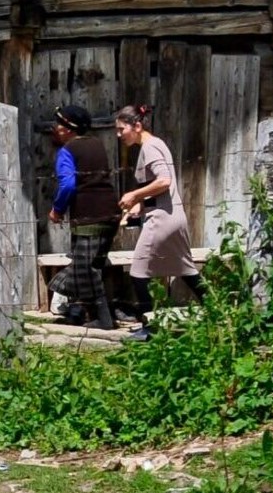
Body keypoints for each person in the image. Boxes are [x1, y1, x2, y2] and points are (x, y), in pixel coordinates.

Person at [114, 104, 205, 342]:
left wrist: (134, 195)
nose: (119, 135)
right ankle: (219, 313)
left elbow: (164, 181)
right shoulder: (156, 145)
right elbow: (162, 188)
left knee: (138, 272)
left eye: (121, 129)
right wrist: (141, 205)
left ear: (137, 126)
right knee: (186, 269)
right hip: (172, 215)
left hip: (162, 220)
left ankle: (150, 327)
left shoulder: (151, 147)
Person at [47, 104, 121, 330]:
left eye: (59, 124)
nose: (55, 128)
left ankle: (103, 318)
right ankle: (86, 311)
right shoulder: (97, 145)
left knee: (85, 268)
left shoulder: (67, 151)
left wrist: (57, 209)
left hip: (90, 217)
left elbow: (68, 184)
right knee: (91, 265)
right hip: (110, 213)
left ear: (68, 129)